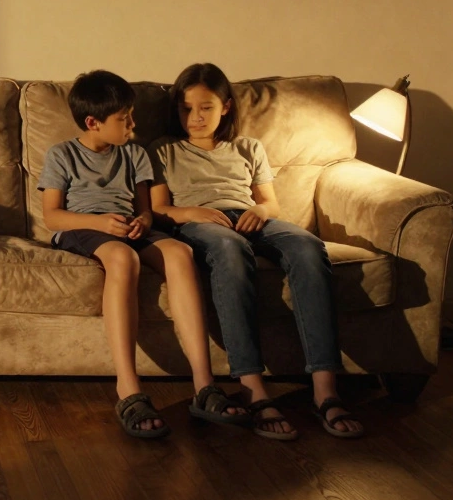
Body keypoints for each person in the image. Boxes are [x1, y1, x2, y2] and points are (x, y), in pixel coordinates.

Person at [149, 62, 364, 440]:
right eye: (186, 109)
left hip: (250, 217)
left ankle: (325, 388)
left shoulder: (247, 147)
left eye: (206, 108)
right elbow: (158, 209)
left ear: (226, 107)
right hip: (199, 223)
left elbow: (270, 204)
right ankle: (253, 387)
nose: (195, 117)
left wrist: (259, 212)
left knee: (308, 247)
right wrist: (190, 212)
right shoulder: (164, 150)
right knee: (231, 252)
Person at [39, 69, 249, 439]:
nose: (133, 125)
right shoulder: (62, 154)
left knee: (180, 253)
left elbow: (147, 208)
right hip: (83, 229)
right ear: (93, 122)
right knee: (123, 258)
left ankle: (203, 384)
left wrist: (142, 220)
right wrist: (100, 223)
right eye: (124, 119)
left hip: (130, 227)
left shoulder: (134, 153)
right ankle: (128, 387)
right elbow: (52, 216)